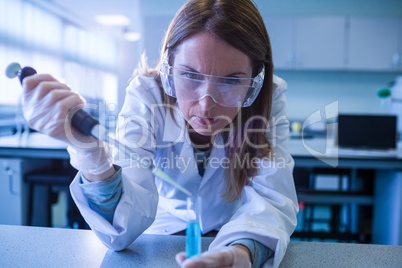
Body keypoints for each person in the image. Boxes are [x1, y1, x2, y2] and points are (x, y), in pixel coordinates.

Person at [22, 0, 298, 267]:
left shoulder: (269, 97)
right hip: (160, 235)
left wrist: (241, 252)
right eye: (190, 75)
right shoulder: (146, 95)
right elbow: (122, 229)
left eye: (231, 81)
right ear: (169, 70)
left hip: (237, 228)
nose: (206, 103)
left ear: (254, 80)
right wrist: (89, 152)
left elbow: (271, 198)